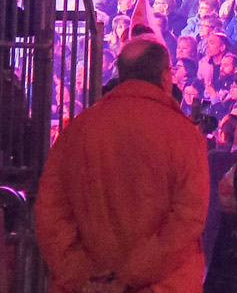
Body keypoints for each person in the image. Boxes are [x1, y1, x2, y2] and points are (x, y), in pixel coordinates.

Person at [35, 34, 209, 293]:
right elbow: (187, 219)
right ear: (165, 77)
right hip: (162, 285)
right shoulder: (185, 136)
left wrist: (84, 276)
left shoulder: (78, 130)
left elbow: (50, 212)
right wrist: (130, 277)